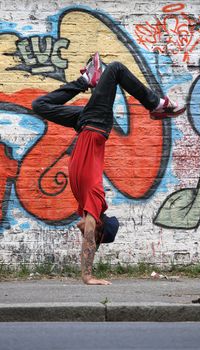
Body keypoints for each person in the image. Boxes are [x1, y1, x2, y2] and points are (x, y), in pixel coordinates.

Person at [32, 52, 186, 285]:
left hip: (83, 125)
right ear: (98, 229)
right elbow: (90, 237)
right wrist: (87, 276)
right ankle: (156, 105)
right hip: (96, 122)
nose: (82, 231)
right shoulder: (95, 200)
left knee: (39, 105)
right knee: (115, 68)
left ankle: (85, 82)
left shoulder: (82, 205)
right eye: (88, 233)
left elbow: (89, 229)